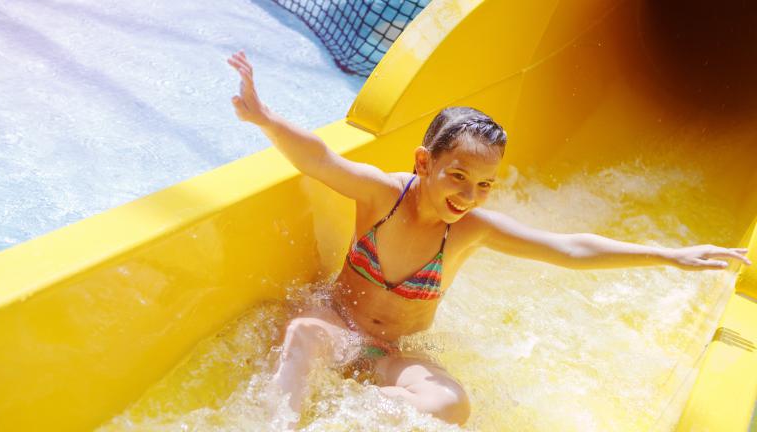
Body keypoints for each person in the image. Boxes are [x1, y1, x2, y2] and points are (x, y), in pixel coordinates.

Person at [226, 50, 751, 428]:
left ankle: (351, 420)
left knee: (452, 405)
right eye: (457, 176)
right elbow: (320, 158)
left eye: (483, 185)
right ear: (423, 162)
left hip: (387, 353)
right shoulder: (381, 194)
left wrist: (669, 255)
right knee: (301, 336)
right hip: (335, 322)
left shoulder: (470, 230)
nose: (469, 195)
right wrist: (262, 117)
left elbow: (568, 248)